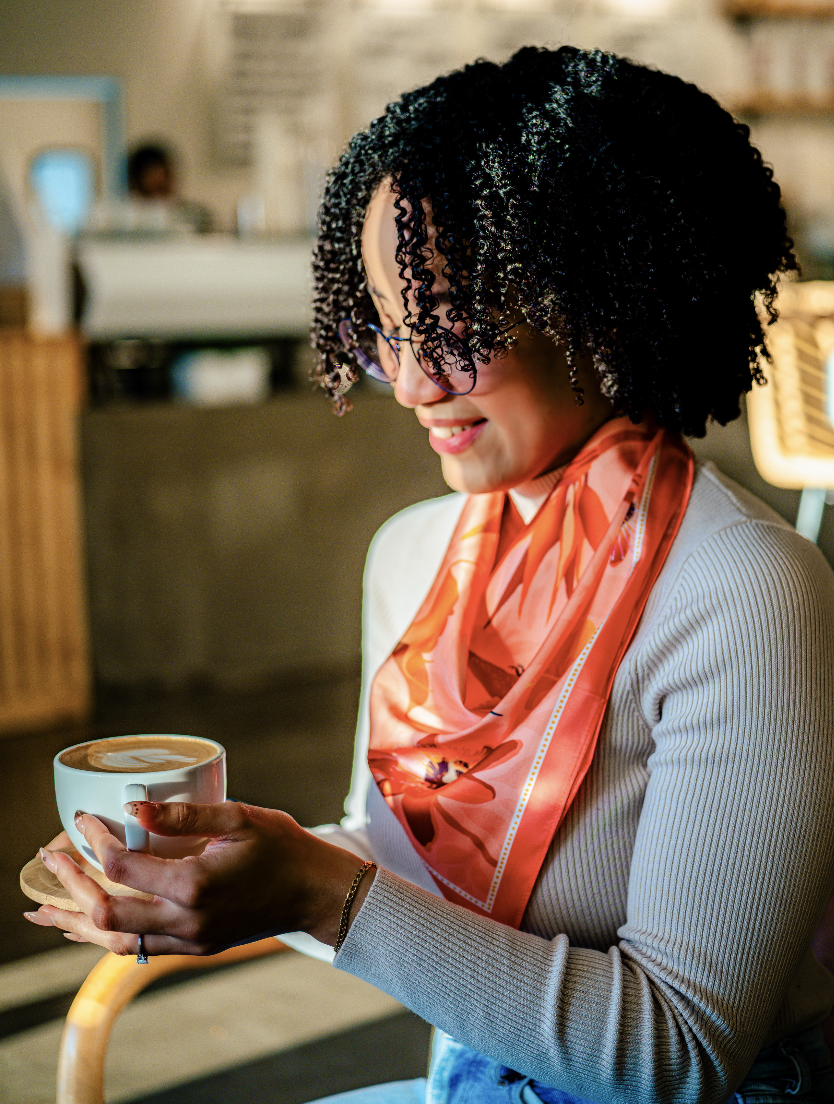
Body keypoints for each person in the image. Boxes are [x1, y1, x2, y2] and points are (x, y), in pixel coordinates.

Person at [26, 46, 834, 1104]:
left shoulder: (745, 593)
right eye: (385, 325)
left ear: (609, 303)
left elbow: (679, 1054)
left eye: (455, 320)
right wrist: (217, 879)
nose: (410, 382)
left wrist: (319, 895)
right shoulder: (415, 556)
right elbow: (403, 869)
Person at [126, 141, 213, 233]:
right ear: (137, 178)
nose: (161, 182)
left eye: (166, 175)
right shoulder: (126, 217)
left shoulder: (195, 215)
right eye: (152, 176)